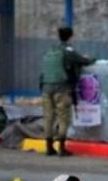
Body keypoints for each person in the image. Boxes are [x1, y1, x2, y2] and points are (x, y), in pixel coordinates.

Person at [40, 26, 96, 157]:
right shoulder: (68, 51)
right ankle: (61, 148)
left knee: (48, 117)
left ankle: (49, 147)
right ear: (71, 36)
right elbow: (84, 61)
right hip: (61, 88)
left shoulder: (51, 50)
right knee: (63, 117)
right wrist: (93, 58)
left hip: (46, 88)